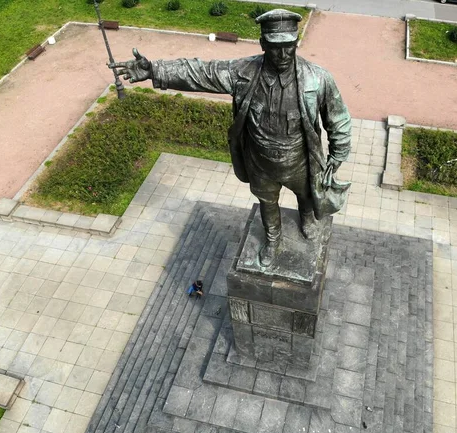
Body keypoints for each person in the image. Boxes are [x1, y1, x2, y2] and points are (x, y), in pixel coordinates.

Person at [111, 9, 351, 267]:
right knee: (267, 202)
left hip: (300, 161)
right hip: (260, 160)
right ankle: (273, 238)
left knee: (306, 196)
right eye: (274, 47)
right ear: (263, 44)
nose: (282, 55)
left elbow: (337, 118)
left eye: (288, 47)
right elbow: (201, 73)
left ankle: (307, 219)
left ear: (295, 44)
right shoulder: (243, 72)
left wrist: (337, 155)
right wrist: (155, 70)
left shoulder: (317, 78)